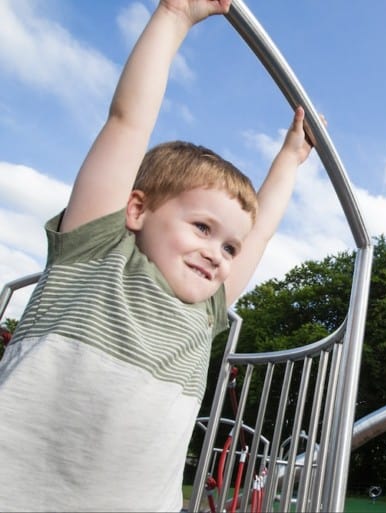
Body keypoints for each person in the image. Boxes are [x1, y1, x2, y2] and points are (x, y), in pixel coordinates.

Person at [0, 0, 317, 510]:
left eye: (228, 246)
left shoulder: (206, 309)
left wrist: (289, 159)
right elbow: (126, 124)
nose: (217, 253)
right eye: (202, 227)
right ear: (137, 208)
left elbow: (260, 234)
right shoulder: (95, 251)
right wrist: (174, 16)